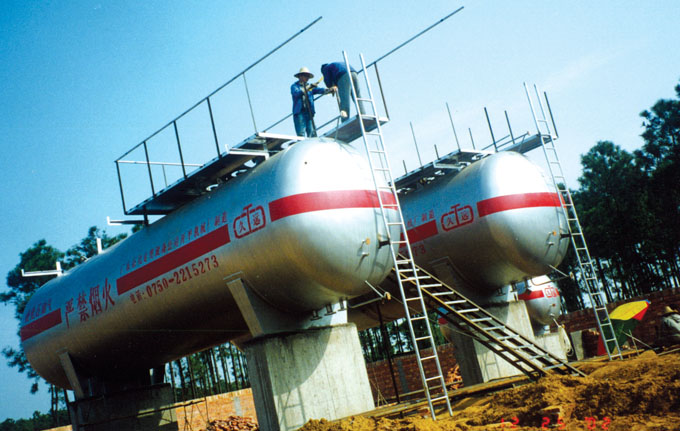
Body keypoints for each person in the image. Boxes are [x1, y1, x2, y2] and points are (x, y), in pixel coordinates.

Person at [291, 67, 326, 137]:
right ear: (300, 76)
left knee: (312, 133)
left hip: (309, 112)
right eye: (305, 76)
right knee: (301, 134)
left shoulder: (310, 87)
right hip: (300, 113)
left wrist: (329, 90)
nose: (307, 78)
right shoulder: (294, 86)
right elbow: (296, 93)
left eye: (308, 76)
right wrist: (308, 87)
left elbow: (319, 90)